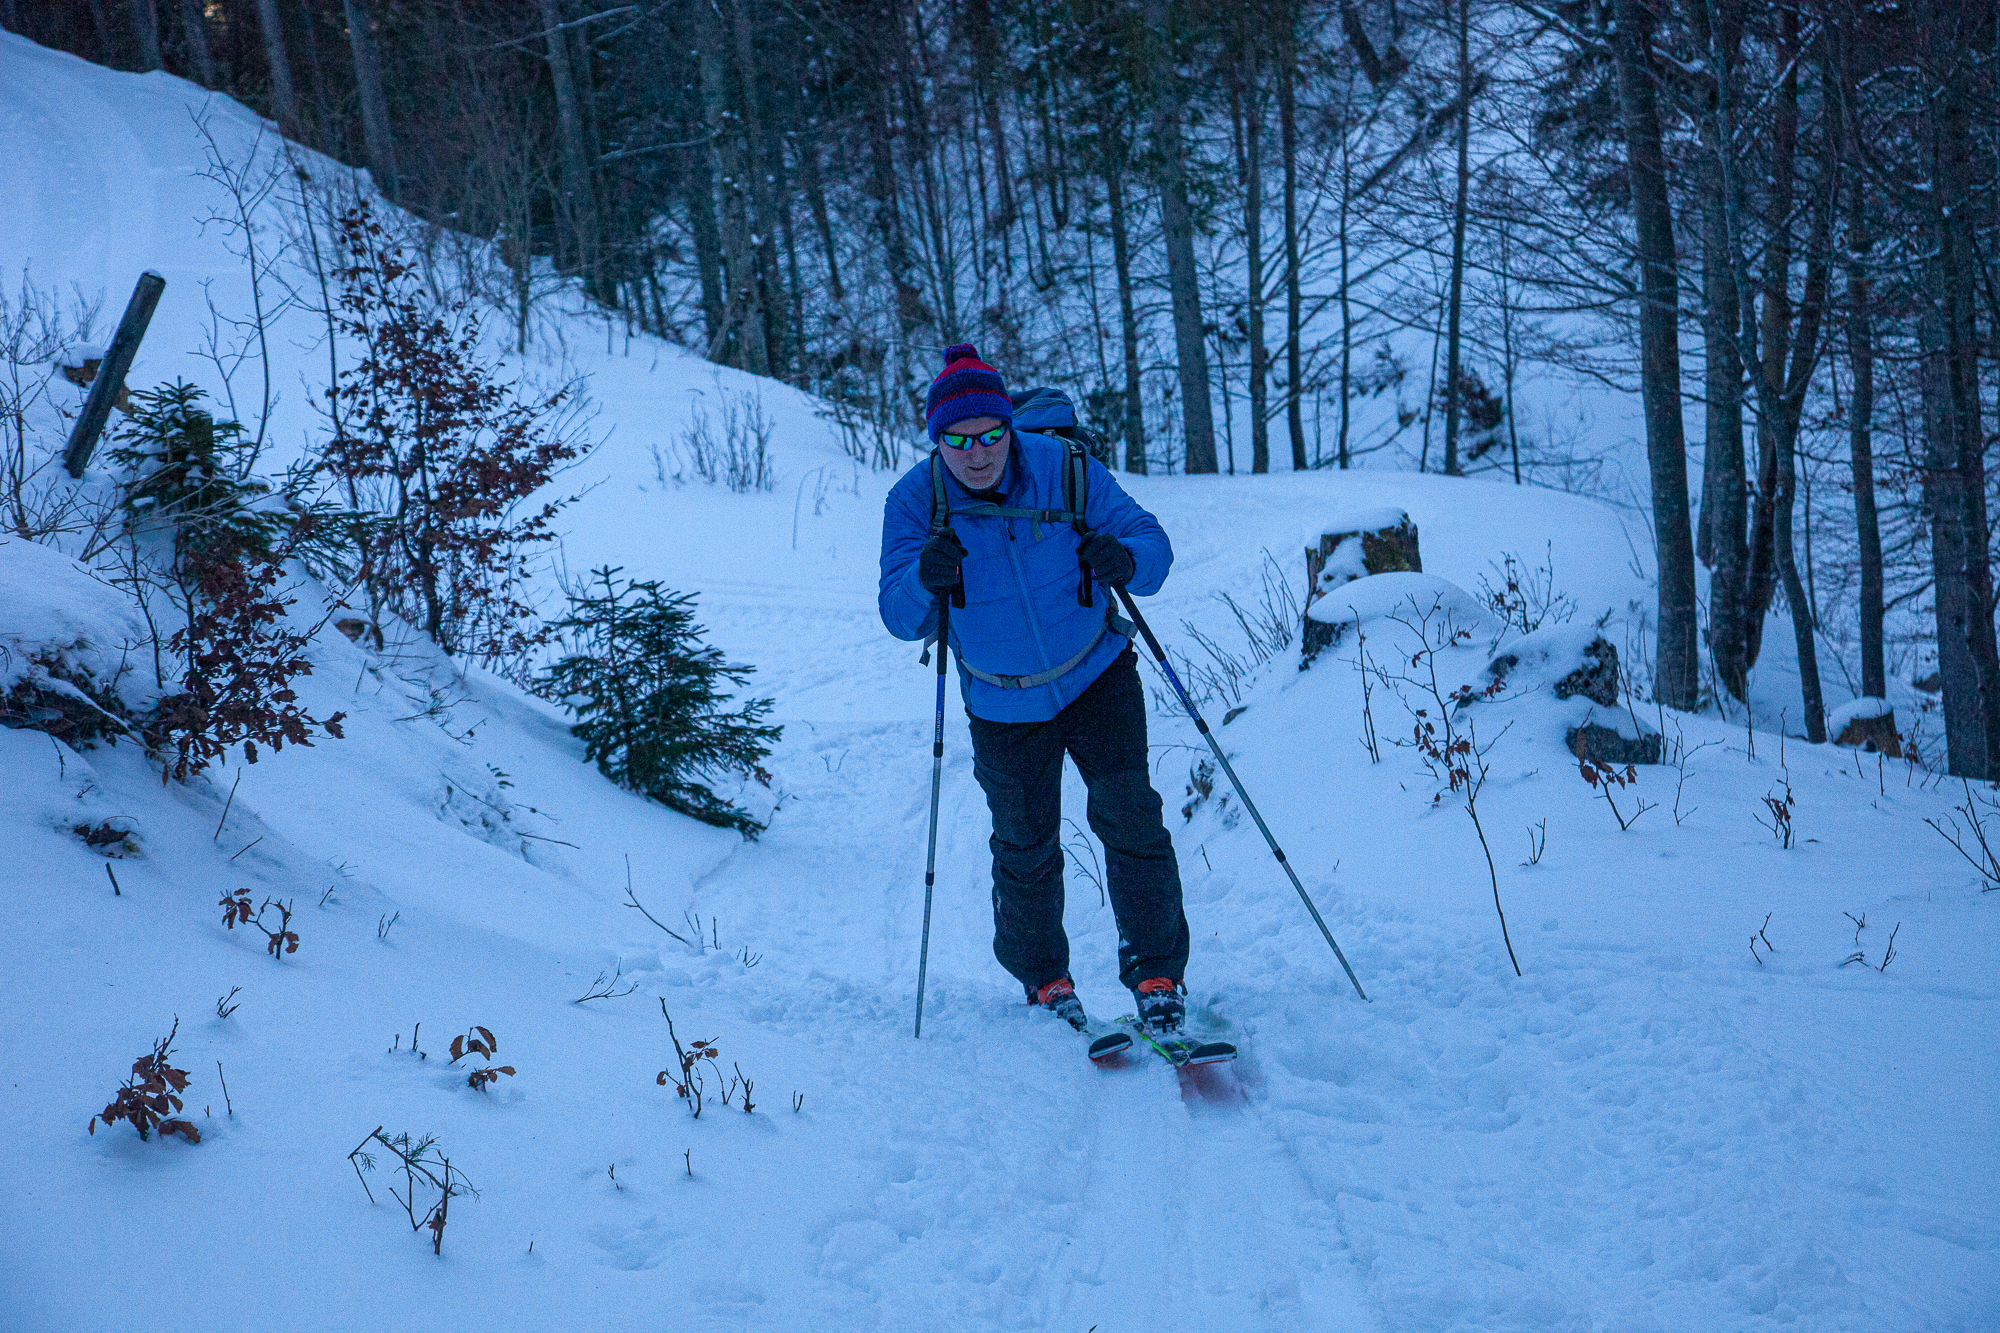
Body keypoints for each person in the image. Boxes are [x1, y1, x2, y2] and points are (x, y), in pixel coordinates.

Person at [878, 344, 1191, 1035]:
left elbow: (1152, 544)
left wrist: (1127, 558)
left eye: (991, 433)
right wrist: (922, 578)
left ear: (1009, 425)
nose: (979, 453)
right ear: (938, 442)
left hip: (1095, 673)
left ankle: (1158, 973)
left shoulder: (1065, 468)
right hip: (1001, 699)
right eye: (958, 440)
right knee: (1024, 844)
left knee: (1131, 818)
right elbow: (898, 617)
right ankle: (1046, 979)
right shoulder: (915, 501)